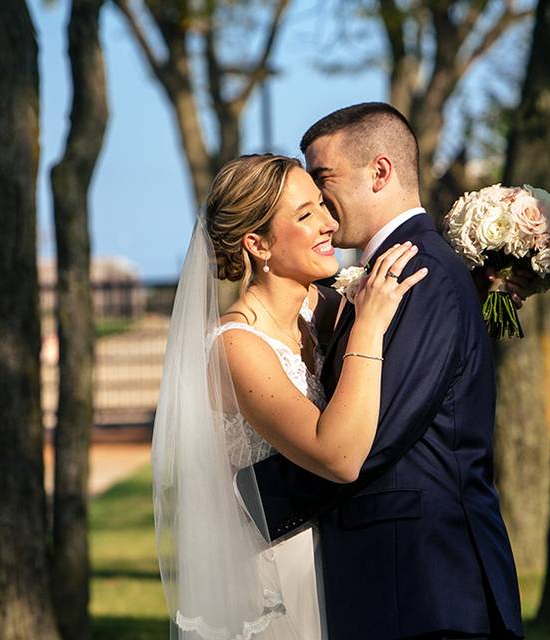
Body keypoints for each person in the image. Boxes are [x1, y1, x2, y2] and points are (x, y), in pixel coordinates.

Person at [241, 102, 526, 639]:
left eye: (324, 179)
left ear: (380, 172)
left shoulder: (417, 272)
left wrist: (245, 502)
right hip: (400, 585)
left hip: (425, 586)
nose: (321, 205)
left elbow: (368, 440)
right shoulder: (386, 272)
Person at [152, 153, 428, 640]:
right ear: (257, 244)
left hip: (346, 556)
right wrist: (367, 327)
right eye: (305, 215)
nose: (328, 222)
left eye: (322, 204)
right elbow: (337, 457)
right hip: (281, 576)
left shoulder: (321, 310)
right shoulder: (235, 346)